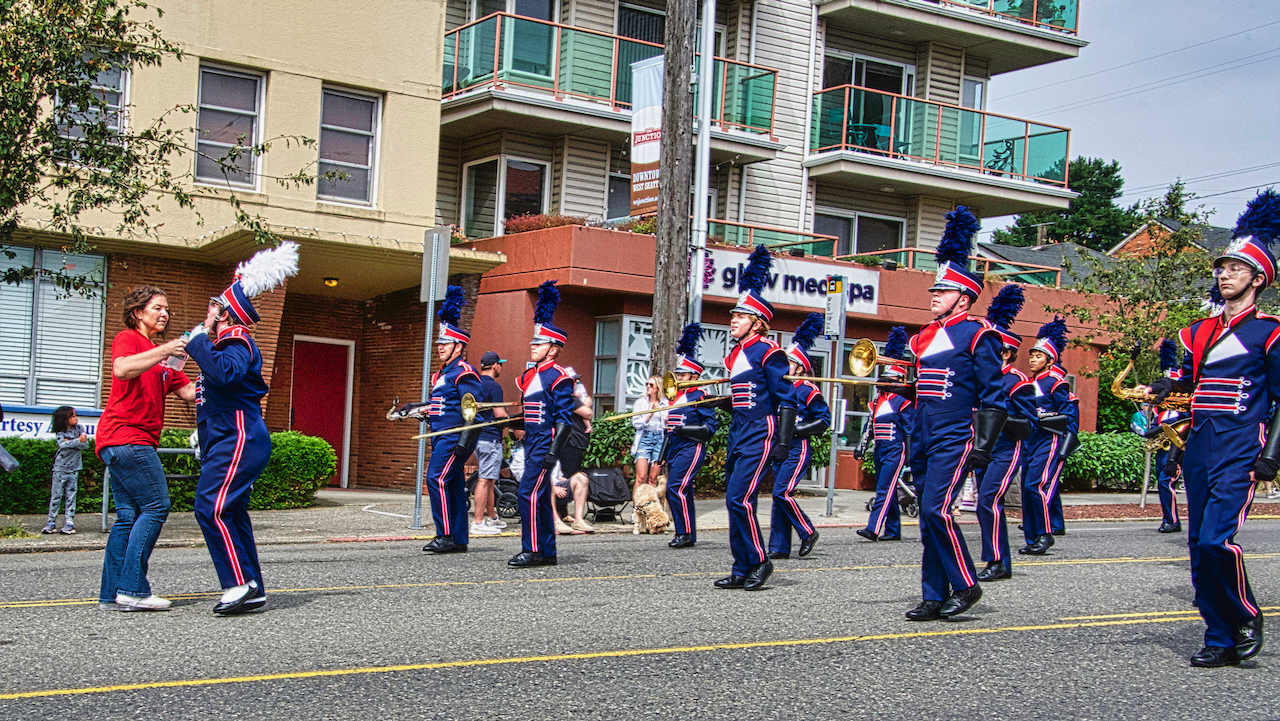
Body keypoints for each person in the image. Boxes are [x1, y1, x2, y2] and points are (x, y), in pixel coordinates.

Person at [1138, 190, 1277, 668]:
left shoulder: (1271, 331)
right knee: (1199, 547)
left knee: (1219, 540)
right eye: (1220, 268)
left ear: (1258, 279)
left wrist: (1272, 455)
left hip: (1242, 445)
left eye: (1235, 269)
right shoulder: (1197, 331)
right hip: (1199, 446)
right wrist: (1166, 393)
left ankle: (1244, 615)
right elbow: (1187, 386)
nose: (1223, 275)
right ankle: (1218, 637)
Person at [904, 207, 1006, 622]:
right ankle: (933, 594)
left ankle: (965, 583)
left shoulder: (977, 333)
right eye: (934, 290)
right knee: (927, 519)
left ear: (963, 298)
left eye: (942, 292)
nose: (933, 295)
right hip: (924, 431)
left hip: (954, 433)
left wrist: (984, 445)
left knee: (936, 510)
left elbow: (994, 394)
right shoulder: (927, 337)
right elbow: (924, 388)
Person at [186, 244, 297, 614]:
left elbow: (226, 374)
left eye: (213, 308)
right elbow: (208, 392)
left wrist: (198, 341)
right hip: (230, 436)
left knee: (211, 507)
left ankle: (238, 584)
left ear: (226, 314)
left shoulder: (235, 338)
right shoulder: (223, 343)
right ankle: (253, 586)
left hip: (238, 435)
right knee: (229, 511)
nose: (207, 314)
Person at [96, 285, 196, 612]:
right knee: (156, 505)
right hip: (126, 437)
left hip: (123, 442)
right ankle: (133, 589)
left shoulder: (164, 361)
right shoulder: (129, 338)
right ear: (138, 312)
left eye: (166, 309)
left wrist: (228, 377)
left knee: (128, 516)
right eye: (157, 308)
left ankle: (112, 594)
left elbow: (189, 393)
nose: (164, 313)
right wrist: (167, 348)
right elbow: (122, 369)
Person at [712, 246, 797, 591]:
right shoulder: (736, 354)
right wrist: (720, 403)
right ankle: (740, 566)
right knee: (733, 501)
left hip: (761, 433)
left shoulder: (769, 351)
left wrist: (783, 442)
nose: (733, 319)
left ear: (757, 322)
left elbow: (786, 399)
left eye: (740, 316)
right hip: (738, 432)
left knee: (739, 499)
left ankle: (760, 561)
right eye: (733, 314)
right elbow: (743, 399)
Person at [971, 285, 1036, 581]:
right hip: (982, 448)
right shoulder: (981, 380)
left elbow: (1029, 423)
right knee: (984, 504)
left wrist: (1000, 418)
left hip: (1006, 448)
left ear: (1007, 353)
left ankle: (998, 561)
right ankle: (995, 558)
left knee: (988, 500)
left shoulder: (1018, 382)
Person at [509, 281, 575, 567]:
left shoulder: (559, 376)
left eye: (539, 343)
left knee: (527, 491)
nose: (532, 346)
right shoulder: (529, 375)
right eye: (533, 342)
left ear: (553, 349)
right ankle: (547, 551)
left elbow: (565, 420)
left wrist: (552, 452)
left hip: (545, 442)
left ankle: (534, 550)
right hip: (531, 440)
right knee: (537, 492)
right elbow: (528, 413)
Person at [421, 286, 483, 555]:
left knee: (436, 478)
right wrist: (422, 412)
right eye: (439, 344)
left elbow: (474, 410)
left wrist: (463, 443)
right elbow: (443, 407)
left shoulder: (464, 373)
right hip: (440, 434)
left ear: (459, 346)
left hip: (454, 436)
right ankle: (458, 538)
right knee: (454, 483)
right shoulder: (439, 375)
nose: (440, 348)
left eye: (445, 344)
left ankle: (445, 534)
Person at [768, 313, 830, 560]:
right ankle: (779, 546)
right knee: (777, 496)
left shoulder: (807, 389)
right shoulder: (780, 389)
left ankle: (807, 531)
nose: (785, 367)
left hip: (797, 446)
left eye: (789, 363)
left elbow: (824, 420)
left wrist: (796, 429)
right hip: (778, 445)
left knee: (781, 492)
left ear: (800, 366)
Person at [1018, 318, 1073, 557]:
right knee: (1025, 488)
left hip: (1047, 439)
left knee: (1035, 485)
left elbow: (1067, 414)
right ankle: (1032, 538)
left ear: (1050, 360)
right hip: (1029, 440)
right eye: (1031, 356)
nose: (1032, 360)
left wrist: (1048, 420)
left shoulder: (1056, 383)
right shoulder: (1027, 383)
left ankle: (1045, 534)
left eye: (1038, 356)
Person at [663, 323, 719, 549]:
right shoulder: (674, 397)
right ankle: (688, 532)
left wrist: (683, 431)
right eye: (678, 373)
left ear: (694, 375)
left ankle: (683, 533)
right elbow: (669, 427)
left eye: (683, 374)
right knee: (683, 490)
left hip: (691, 446)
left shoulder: (700, 395)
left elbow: (709, 428)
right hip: (675, 446)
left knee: (675, 487)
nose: (678, 377)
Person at [857, 326, 914, 543]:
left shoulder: (902, 402)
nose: (883, 383)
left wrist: (909, 453)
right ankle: (893, 529)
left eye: (889, 379)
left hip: (895, 448)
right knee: (886, 487)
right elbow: (869, 426)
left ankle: (873, 528)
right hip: (880, 448)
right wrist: (862, 445)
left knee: (884, 488)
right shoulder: (877, 402)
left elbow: (909, 429)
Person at [552, 368, 595, 534]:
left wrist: (587, 400)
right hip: (571, 442)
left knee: (570, 474)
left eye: (578, 380)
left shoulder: (576, 399)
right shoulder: (569, 399)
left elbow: (588, 404)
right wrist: (587, 402)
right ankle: (562, 513)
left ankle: (564, 513)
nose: (578, 383)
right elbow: (588, 412)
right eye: (574, 381)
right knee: (568, 475)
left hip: (577, 442)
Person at [471, 351, 509, 537]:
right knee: (485, 480)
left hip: (476, 437)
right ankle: (478, 521)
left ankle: (492, 516)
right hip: (490, 438)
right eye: (500, 364)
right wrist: (513, 423)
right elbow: (499, 413)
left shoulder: (474, 383)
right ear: (495, 365)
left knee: (490, 479)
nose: (500, 367)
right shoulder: (494, 387)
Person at [44, 406, 87, 535]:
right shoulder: (60, 432)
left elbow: (85, 445)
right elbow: (62, 445)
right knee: (56, 496)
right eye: (72, 416)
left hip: (75, 467)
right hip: (60, 467)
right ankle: (51, 522)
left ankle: (69, 522)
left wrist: (73, 442)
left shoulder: (80, 429)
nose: (76, 418)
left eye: (75, 415)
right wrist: (77, 442)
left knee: (71, 495)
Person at [630, 376, 667, 488]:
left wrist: (666, 421)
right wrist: (649, 415)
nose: (648, 387)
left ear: (658, 388)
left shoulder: (665, 403)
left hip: (659, 438)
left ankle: (651, 504)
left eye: (651, 385)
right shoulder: (641, 403)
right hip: (645, 437)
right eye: (647, 384)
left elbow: (666, 425)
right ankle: (637, 505)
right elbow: (636, 423)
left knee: (653, 477)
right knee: (641, 477)